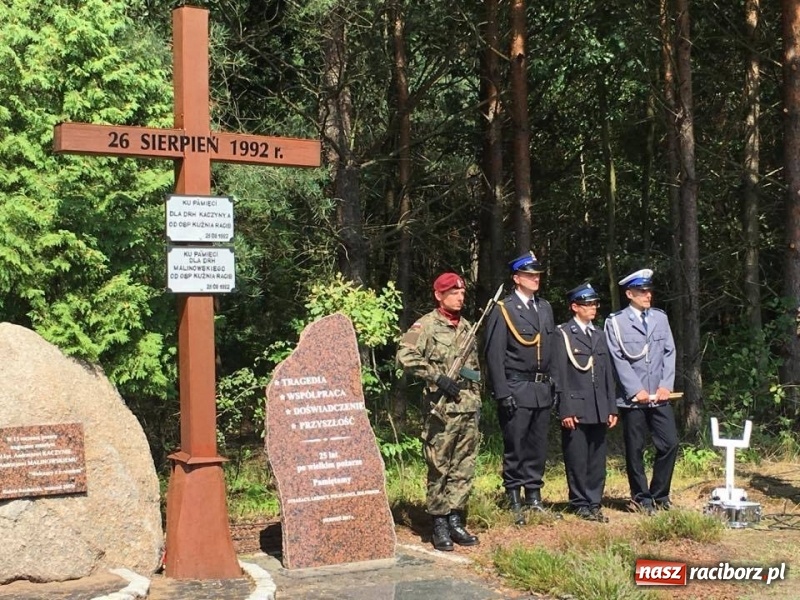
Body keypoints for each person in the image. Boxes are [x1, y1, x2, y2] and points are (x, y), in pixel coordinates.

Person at [396, 272, 481, 551]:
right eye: (453, 293)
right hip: (441, 411)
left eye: (462, 293)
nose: (460, 297)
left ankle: (456, 519)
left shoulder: (468, 326)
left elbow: (474, 370)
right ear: (439, 295)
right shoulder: (425, 325)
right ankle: (440, 523)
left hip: (467, 408)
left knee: (463, 467)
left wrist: (476, 397)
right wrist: (436, 376)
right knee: (439, 467)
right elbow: (405, 355)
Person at [484, 251, 555, 525]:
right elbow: (494, 354)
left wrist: (555, 386)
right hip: (516, 385)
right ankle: (513, 495)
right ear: (516, 278)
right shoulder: (505, 309)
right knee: (516, 444)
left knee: (537, 445)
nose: (535, 279)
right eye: (529, 275)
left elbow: (552, 349)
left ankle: (534, 496)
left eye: (537, 275)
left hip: (541, 387)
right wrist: (502, 392)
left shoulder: (544, 307)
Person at [604, 268, 678, 515]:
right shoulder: (615, 322)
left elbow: (669, 352)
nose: (648, 296)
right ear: (629, 294)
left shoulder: (660, 318)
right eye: (642, 292)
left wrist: (666, 385)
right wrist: (635, 389)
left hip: (659, 396)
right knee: (635, 449)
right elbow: (617, 359)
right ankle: (641, 497)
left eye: (649, 291)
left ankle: (660, 495)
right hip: (633, 399)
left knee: (669, 443)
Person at [551, 283, 618, 522]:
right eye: (588, 304)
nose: (593, 308)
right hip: (576, 406)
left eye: (595, 304)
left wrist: (611, 406)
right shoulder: (563, 334)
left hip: (599, 405)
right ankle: (579, 502)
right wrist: (565, 408)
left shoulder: (598, 334)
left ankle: (594, 501)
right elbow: (559, 373)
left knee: (597, 458)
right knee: (577, 456)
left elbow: (607, 373)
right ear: (574, 307)